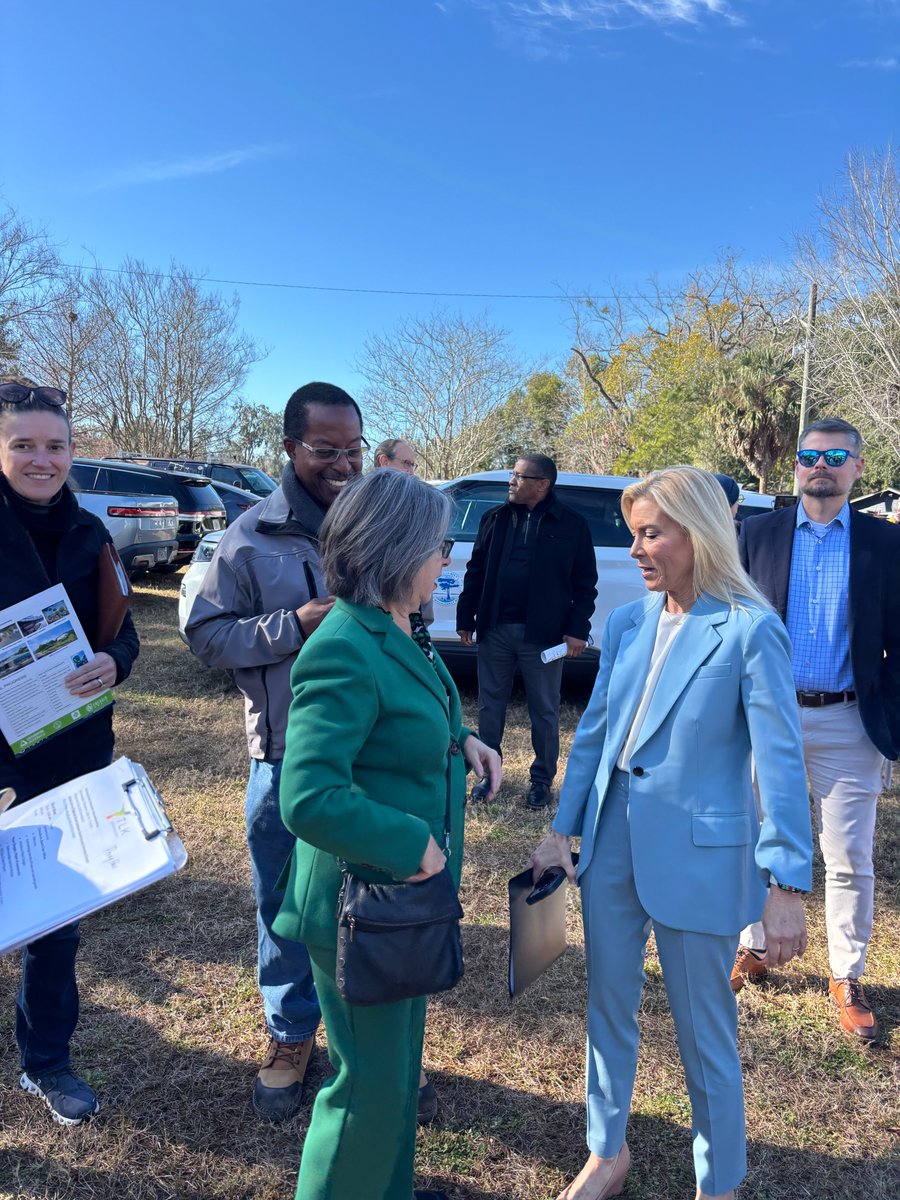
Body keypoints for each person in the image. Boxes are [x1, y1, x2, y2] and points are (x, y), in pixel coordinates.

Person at [531, 466, 812, 1200]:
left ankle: (717, 1186)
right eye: (635, 533)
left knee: (704, 1034)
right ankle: (605, 1152)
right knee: (607, 1006)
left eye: (651, 533)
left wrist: (786, 885)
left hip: (702, 858)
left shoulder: (752, 630)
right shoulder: (628, 622)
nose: (636, 548)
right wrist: (561, 830)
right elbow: (593, 733)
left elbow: (781, 766)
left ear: (699, 533)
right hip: (611, 839)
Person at [271, 469, 500, 1200]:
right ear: (398, 549)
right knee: (366, 1085)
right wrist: (411, 844)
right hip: (359, 904)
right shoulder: (343, 645)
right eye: (439, 545)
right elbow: (307, 798)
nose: (449, 558)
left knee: (397, 1075)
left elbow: (412, 705)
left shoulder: (397, 623)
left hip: (398, 906)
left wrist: (462, 738)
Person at [185, 381, 367, 1120]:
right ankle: (291, 1036)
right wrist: (292, 624)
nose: (344, 464)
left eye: (354, 448)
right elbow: (205, 635)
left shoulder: (375, 521)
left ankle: (368, 1048)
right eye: (327, 450)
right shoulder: (250, 535)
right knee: (286, 903)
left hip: (371, 754)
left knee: (369, 903)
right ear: (290, 448)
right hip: (286, 756)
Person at [732, 418, 900, 1042]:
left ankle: (846, 973)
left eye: (835, 456)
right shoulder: (756, 534)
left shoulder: (886, 545)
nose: (820, 466)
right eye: (809, 456)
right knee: (750, 833)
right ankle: (751, 945)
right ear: (795, 466)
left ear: (858, 467)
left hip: (850, 719)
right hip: (766, 716)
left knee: (849, 855)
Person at [0, 379, 139, 1125]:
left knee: (54, 918)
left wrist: (115, 662)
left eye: (54, 446)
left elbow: (127, 634)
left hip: (71, 752)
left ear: (72, 451)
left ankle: (45, 1061)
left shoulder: (93, 535)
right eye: (23, 444)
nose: (40, 459)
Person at [456, 454, 597, 808]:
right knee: (490, 707)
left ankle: (541, 781)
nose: (512, 481)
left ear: (543, 484)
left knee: (545, 711)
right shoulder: (495, 519)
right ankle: (489, 775)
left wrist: (577, 629)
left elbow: (584, 584)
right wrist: (465, 615)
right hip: (495, 628)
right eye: (512, 474)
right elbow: (475, 570)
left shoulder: (572, 525)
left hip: (544, 635)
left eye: (519, 476)